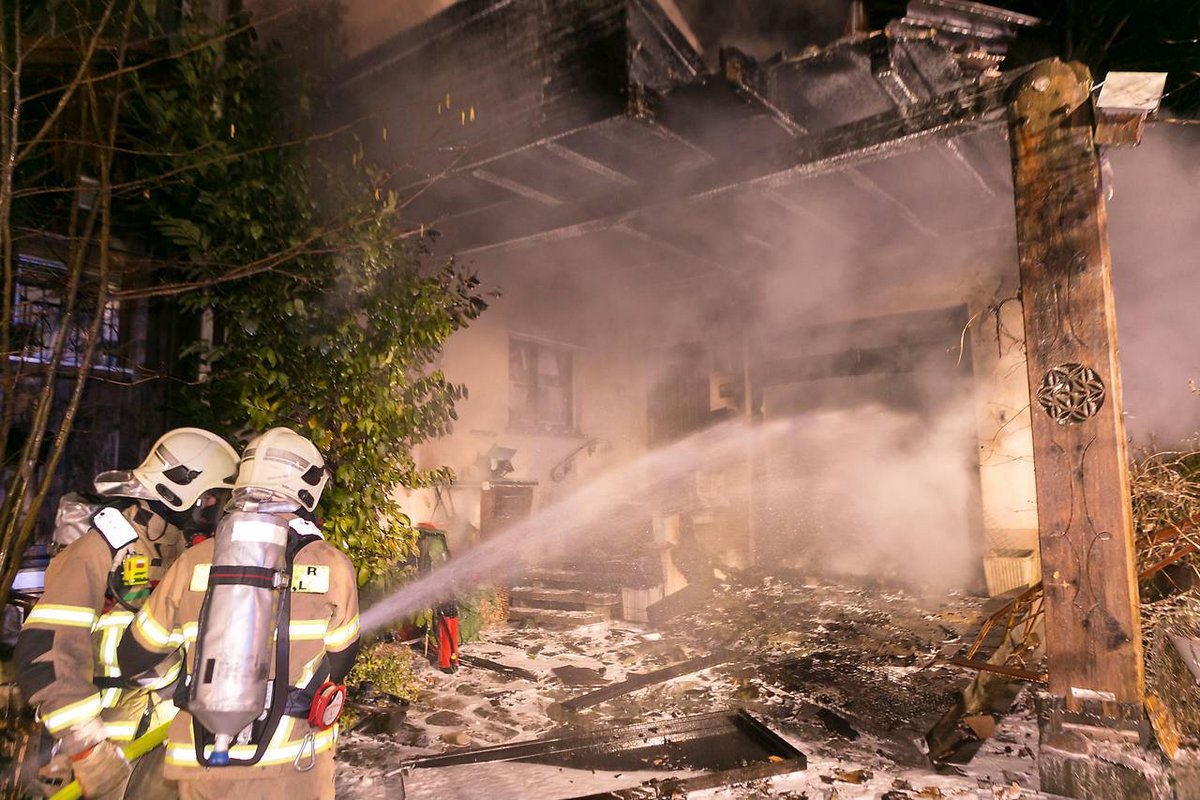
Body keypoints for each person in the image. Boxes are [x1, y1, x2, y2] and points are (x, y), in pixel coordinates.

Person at [118, 427, 361, 800]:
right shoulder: (331, 566)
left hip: (202, 769)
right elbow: (341, 659)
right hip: (291, 771)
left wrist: (188, 682)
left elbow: (134, 656)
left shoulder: (194, 560)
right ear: (306, 489)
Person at [14, 428, 240, 799]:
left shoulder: (181, 554)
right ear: (182, 493)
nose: (217, 512)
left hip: (159, 746)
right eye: (214, 500)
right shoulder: (100, 550)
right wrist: (86, 746)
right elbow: (44, 653)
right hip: (100, 753)